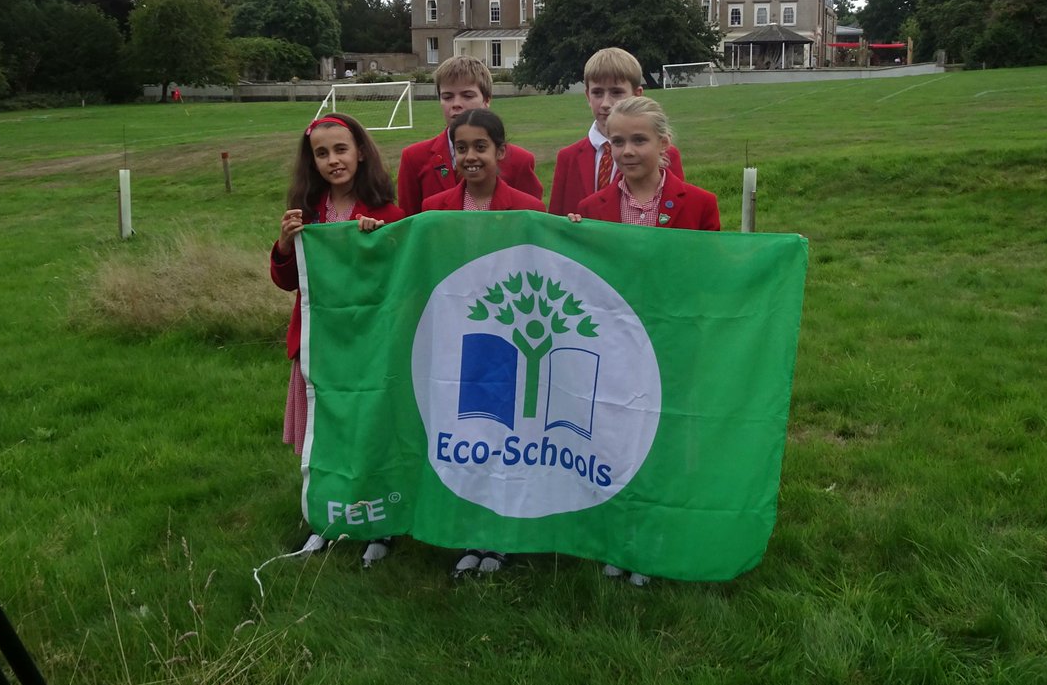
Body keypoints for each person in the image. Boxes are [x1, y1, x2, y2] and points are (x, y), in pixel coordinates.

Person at [572, 96, 720, 585]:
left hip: (672, 345)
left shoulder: (698, 203)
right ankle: (622, 534)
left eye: (639, 140)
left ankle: (661, 536)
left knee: (666, 439)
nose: (628, 150)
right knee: (616, 438)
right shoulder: (591, 209)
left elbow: (707, 276)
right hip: (615, 349)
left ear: (664, 144)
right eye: (618, 141)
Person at [270, 112, 403, 567]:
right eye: (322, 153)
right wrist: (285, 245)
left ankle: (379, 524)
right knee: (324, 435)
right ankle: (325, 519)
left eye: (341, 149)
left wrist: (378, 240)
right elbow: (289, 281)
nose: (333, 160)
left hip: (367, 348)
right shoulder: (307, 214)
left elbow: (397, 278)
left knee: (368, 433)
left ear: (360, 152)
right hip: (319, 347)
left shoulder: (385, 212)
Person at [421, 107, 546, 574]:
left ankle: (502, 534)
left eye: (480, 147)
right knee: (465, 435)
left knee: (505, 435)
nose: (470, 156)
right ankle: (470, 529)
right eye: (461, 148)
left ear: (501, 151)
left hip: (509, 344)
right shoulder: (433, 210)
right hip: (456, 343)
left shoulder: (529, 210)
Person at [396, 55, 542, 215]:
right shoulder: (414, 158)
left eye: (467, 96)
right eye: (447, 97)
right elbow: (409, 224)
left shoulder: (519, 161)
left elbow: (532, 221)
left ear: (487, 100)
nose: (456, 104)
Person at [548, 47, 684, 216]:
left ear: (637, 95)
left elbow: (677, 211)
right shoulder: (568, 157)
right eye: (597, 93)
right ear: (587, 96)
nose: (606, 103)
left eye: (616, 92)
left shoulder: (663, 153)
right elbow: (556, 220)